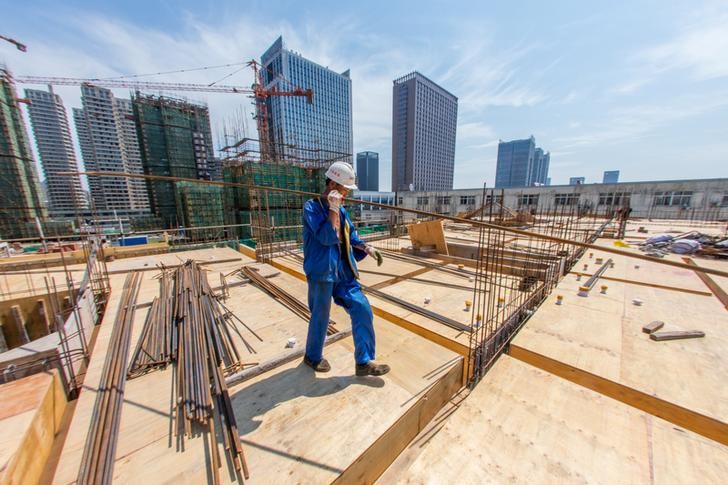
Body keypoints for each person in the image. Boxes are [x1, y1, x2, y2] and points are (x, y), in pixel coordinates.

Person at [302, 161, 390, 377]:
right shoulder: (311, 208)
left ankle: (364, 361)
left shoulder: (342, 212)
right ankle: (312, 356)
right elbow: (326, 237)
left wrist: (365, 247)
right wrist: (332, 208)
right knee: (320, 315)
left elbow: (350, 235)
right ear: (332, 184)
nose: (346, 195)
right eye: (343, 190)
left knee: (362, 307)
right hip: (322, 272)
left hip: (343, 271)